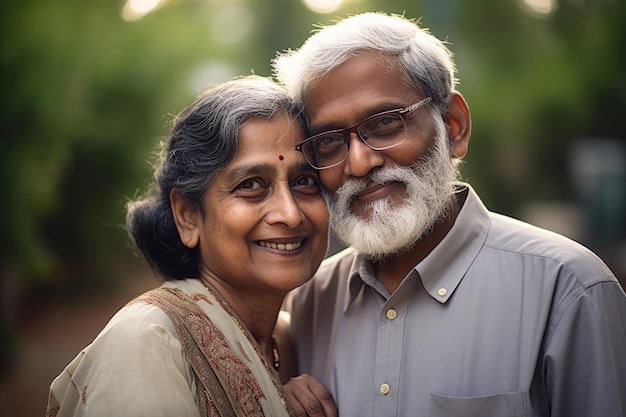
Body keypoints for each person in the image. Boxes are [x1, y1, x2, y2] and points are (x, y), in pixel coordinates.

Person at [272, 12, 626, 417]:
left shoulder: (567, 288)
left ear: (453, 126)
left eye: (386, 123)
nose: (358, 161)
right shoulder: (310, 301)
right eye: (330, 142)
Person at [46, 75, 330, 417]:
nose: (289, 213)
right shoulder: (146, 339)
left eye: (304, 182)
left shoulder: (293, 335)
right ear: (187, 216)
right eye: (251, 184)